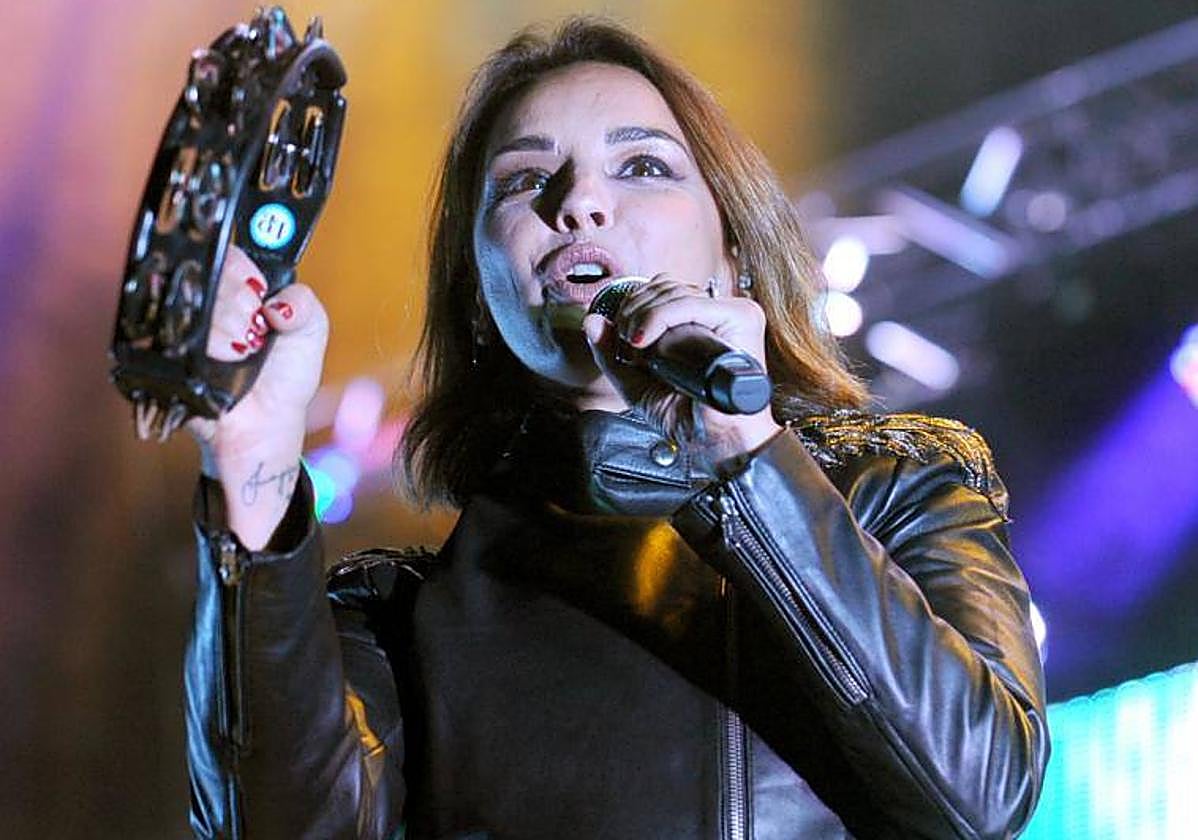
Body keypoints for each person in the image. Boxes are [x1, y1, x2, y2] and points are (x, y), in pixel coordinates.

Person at [183, 18, 1049, 839]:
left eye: (642, 166)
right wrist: (252, 466)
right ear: (479, 296)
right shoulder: (402, 616)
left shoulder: (898, 489)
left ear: (735, 252)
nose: (581, 202)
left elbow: (979, 798)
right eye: (525, 182)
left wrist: (746, 458)